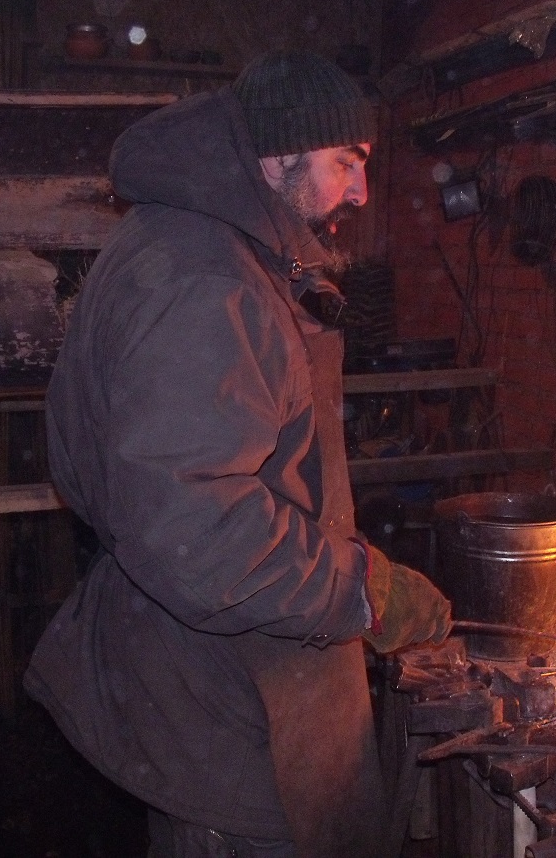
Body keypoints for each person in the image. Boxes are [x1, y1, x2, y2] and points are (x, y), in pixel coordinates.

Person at [24, 50, 453, 858]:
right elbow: (194, 527)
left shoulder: (205, 245)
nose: (360, 192)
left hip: (221, 659)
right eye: (346, 162)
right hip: (224, 688)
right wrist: (360, 586)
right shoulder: (205, 280)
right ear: (278, 154)